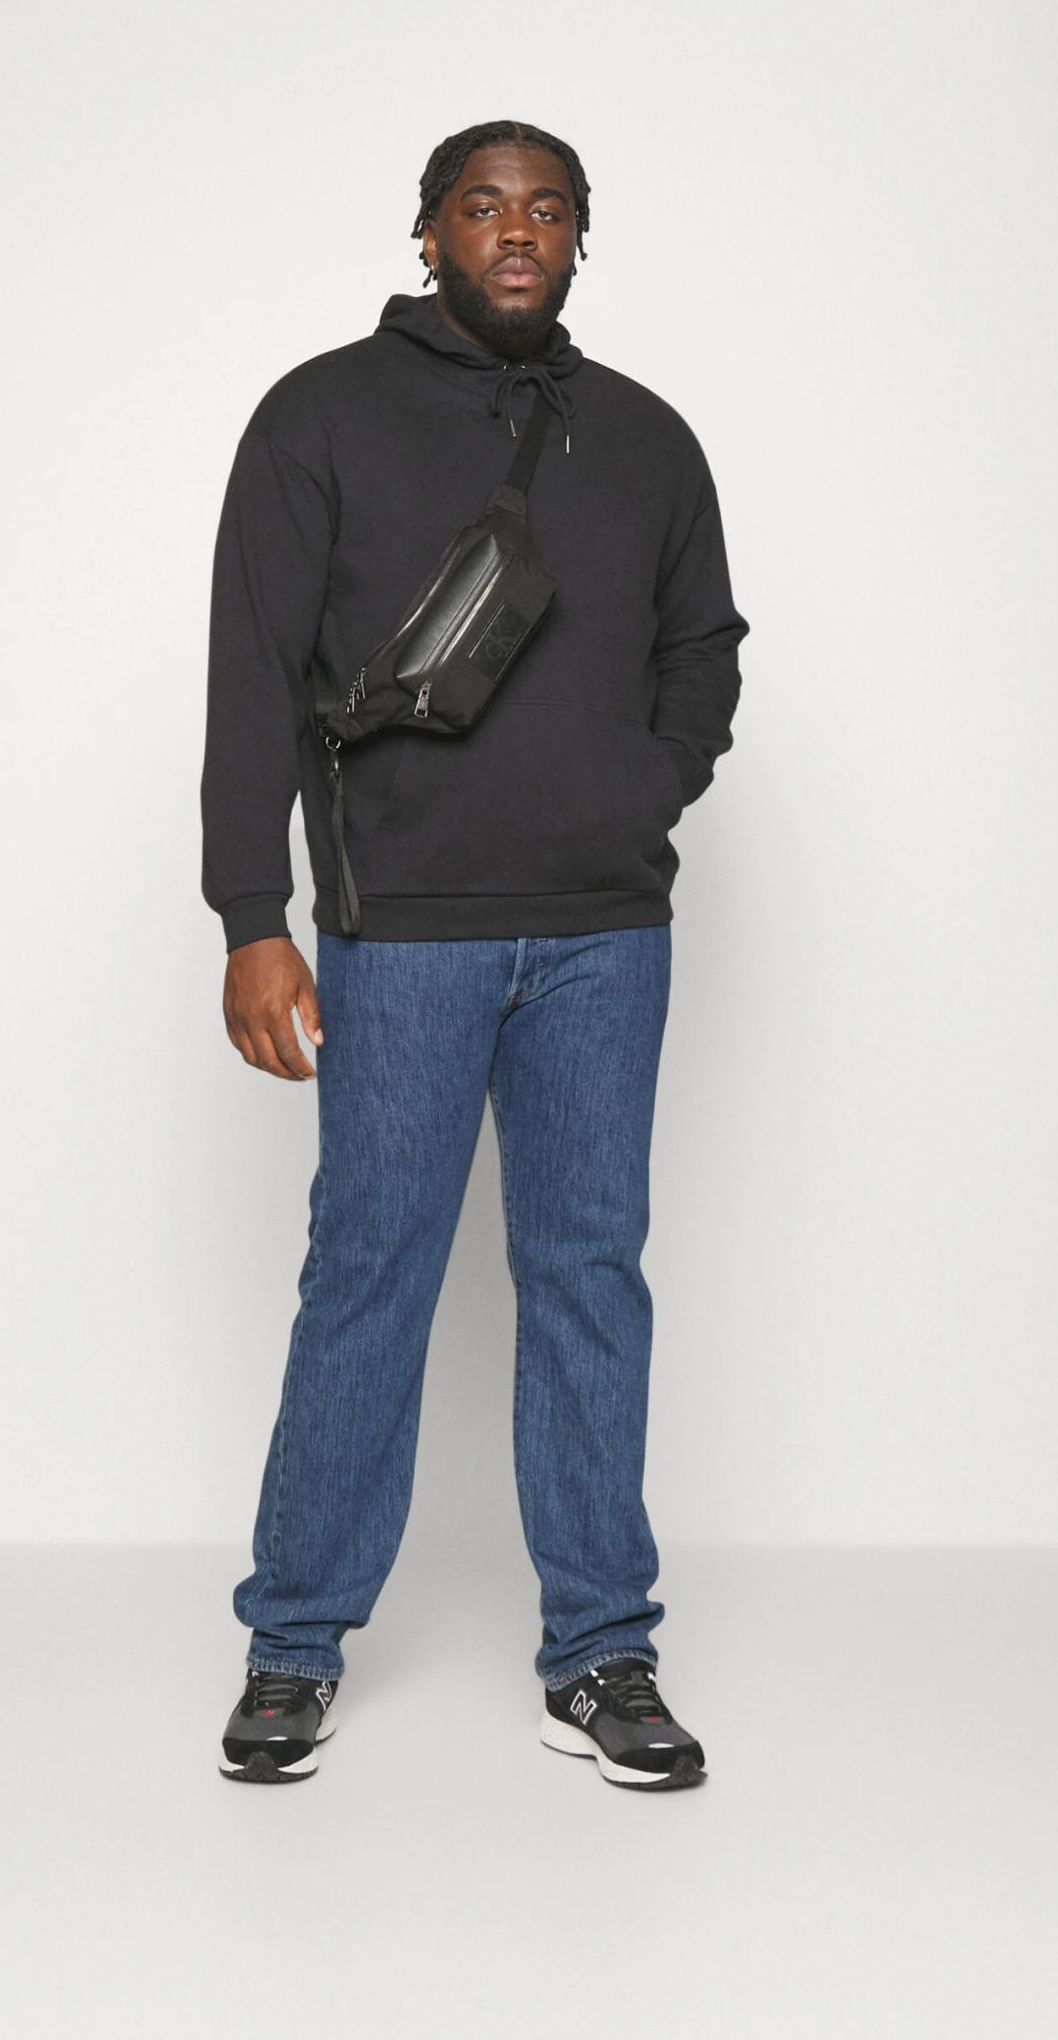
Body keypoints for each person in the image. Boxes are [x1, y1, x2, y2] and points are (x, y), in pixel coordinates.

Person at [200, 120, 748, 1789]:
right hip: (403, 938)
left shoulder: (645, 437)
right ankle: (295, 1641)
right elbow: (251, 672)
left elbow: (704, 645)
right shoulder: (318, 418)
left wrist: (641, 786)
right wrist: (251, 917)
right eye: (485, 206)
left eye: (549, 209)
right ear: (429, 230)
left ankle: (601, 1651)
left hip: (606, 937)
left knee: (589, 1274)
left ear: (580, 239)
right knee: (369, 1274)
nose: (518, 231)